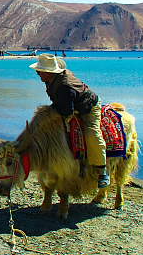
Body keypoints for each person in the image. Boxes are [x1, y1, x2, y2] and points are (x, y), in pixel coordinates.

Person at [29, 54, 109, 188]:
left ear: (48, 73)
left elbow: (66, 112)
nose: (38, 74)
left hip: (89, 107)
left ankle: (102, 171)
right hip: (70, 104)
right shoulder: (52, 80)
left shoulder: (65, 86)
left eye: (39, 72)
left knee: (92, 134)